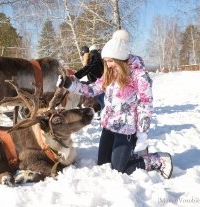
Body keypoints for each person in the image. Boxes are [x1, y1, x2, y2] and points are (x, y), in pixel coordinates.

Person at [56, 29, 173, 179]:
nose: (108, 65)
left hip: (126, 129)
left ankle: (158, 160)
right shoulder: (110, 75)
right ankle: (127, 156)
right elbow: (92, 89)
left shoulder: (139, 76)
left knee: (120, 169)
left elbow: (146, 105)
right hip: (109, 125)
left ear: (120, 59)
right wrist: (70, 84)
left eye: (110, 61)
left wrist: (142, 134)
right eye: (106, 61)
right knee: (103, 164)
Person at [75, 44, 105, 113]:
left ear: (84, 54)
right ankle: (101, 113)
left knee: (102, 101)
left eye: (82, 55)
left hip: (101, 85)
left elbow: (91, 70)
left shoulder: (92, 59)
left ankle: (103, 113)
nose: (82, 58)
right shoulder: (93, 58)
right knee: (99, 101)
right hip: (98, 84)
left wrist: (76, 76)